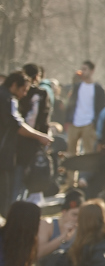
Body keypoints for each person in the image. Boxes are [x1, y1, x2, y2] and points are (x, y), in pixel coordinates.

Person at [0, 71, 53, 210]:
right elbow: (18, 126)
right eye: (23, 90)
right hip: (3, 154)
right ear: (14, 85)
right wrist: (40, 136)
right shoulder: (8, 99)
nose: (24, 94)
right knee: (4, 194)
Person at [64, 61, 105, 187]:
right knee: (71, 153)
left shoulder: (98, 89)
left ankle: (85, 180)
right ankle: (71, 182)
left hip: (89, 124)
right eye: (81, 68)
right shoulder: (77, 86)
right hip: (74, 123)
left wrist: (95, 123)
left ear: (92, 71)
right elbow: (70, 102)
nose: (83, 71)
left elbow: (101, 107)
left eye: (85, 69)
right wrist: (68, 120)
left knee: (88, 154)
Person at [15, 63, 53, 203]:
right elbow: (43, 121)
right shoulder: (41, 95)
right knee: (29, 179)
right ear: (37, 76)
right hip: (33, 143)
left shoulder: (15, 94)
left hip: (15, 144)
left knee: (16, 180)